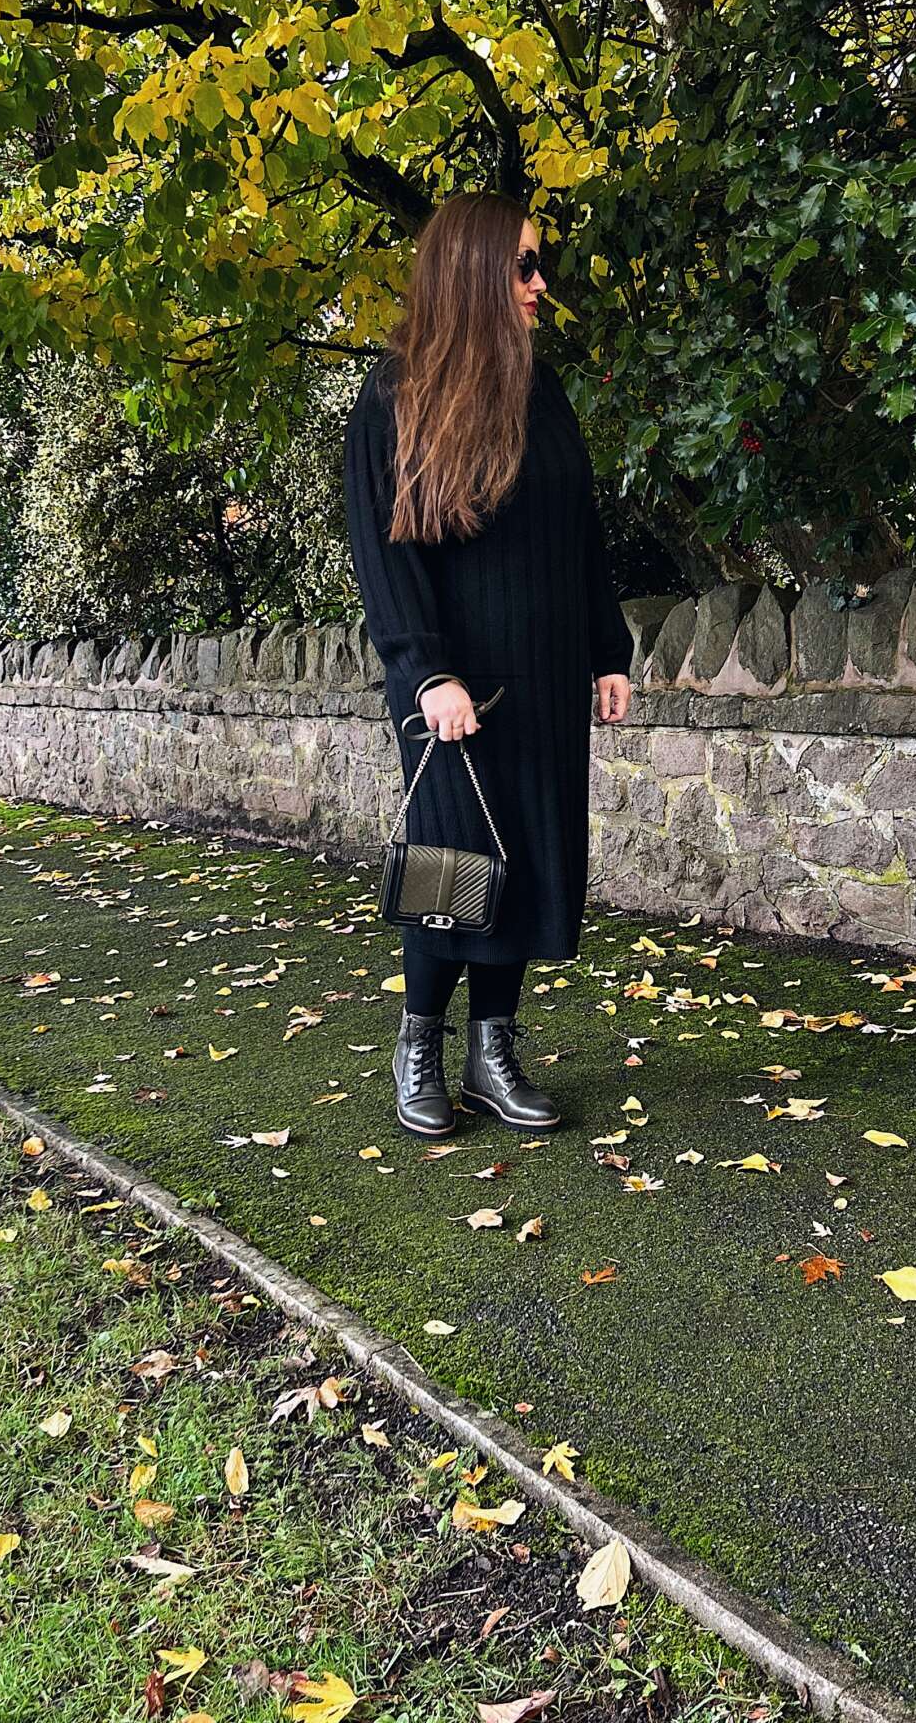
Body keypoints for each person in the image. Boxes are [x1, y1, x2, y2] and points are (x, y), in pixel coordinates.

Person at [342, 191, 634, 1140]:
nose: (540, 283)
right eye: (521, 265)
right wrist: (426, 673)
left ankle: (493, 1048)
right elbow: (384, 554)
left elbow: (578, 533)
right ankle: (420, 1042)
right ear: (469, 271)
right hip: (449, 686)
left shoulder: (538, 388)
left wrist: (605, 650)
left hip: (543, 671)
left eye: (536, 263)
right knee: (449, 868)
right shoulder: (392, 395)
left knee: (523, 861)